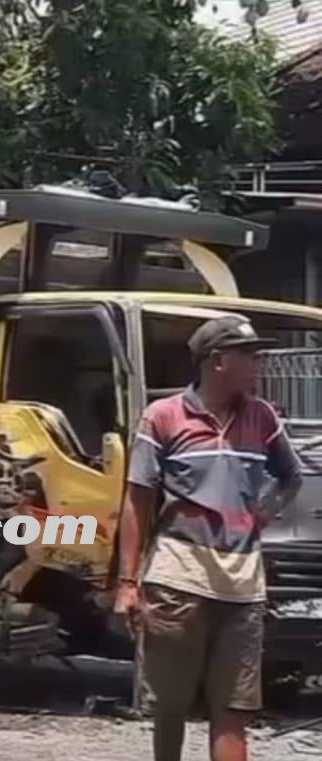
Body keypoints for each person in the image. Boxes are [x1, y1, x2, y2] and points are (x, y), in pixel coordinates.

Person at [115, 316, 303, 761]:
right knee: (171, 706)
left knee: (232, 710)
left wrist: (266, 511)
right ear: (217, 361)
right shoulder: (163, 417)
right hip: (178, 579)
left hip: (242, 586)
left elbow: (290, 476)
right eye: (249, 355)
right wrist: (127, 583)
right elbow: (137, 501)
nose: (258, 363)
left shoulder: (262, 417)